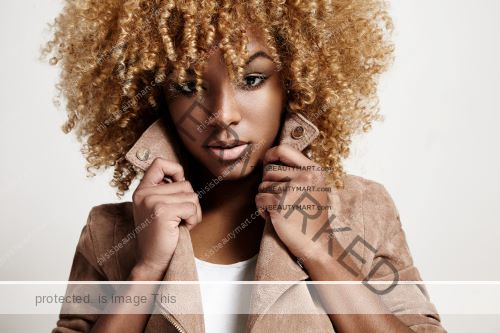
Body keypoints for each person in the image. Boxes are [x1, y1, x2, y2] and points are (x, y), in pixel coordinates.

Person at [44, 0, 447, 332]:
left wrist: (321, 251)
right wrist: (145, 270)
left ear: (294, 81)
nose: (222, 114)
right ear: (157, 99)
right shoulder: (109, 232)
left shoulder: (363, 210)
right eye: (188, 86)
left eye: (251, 79)